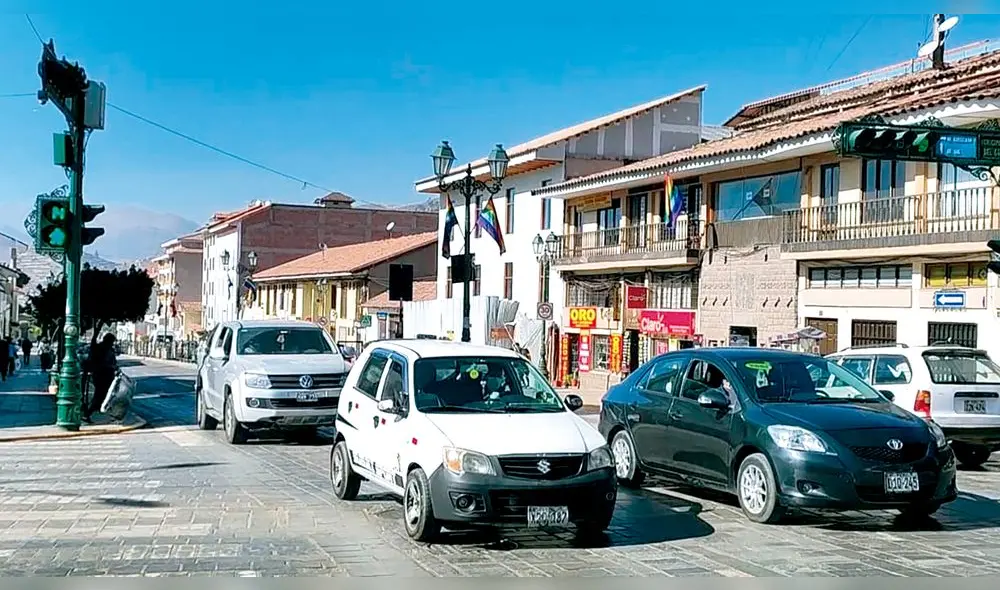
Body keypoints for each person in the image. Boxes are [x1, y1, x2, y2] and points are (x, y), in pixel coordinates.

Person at [83, 334, 119, 422]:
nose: (113, 343)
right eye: (112, 341)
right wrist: (113, 367)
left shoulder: (103, 348)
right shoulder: (104, 349)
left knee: (103, 395)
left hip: (101, 374)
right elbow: (106, 363)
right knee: (100, 395)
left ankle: (94, 410)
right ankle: (88, 413)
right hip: (103, 374)